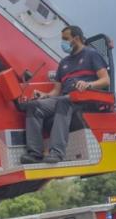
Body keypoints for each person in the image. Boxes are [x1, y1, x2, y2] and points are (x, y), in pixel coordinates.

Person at [19, 25, 109, 164]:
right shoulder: (63, 63)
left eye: (65, 39)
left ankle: (56, 153)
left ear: (76, 38)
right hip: (66, 98)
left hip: (85, 98)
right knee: (34, 106)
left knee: (64, 102)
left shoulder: (91, 54)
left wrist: (88, 85)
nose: (63, 43)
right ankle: (35, 153)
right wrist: (44, 95)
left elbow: (105, 80)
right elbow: (56, 91)